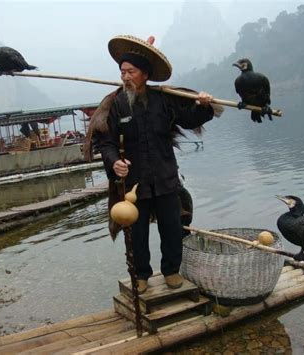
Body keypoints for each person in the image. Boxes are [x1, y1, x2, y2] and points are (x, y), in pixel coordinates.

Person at [92, 35, 220, 294]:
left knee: (172, 228)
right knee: (136, 232)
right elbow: (106, 143)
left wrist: (204, 106)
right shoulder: (117, 105)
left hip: (165, 178)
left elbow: (188, 119)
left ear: (145, 74)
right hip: (134, 184)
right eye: (122, 72)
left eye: (131, 71)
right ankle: (141, 274)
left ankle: (172, 271)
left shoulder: (164, 100)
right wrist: (115, 162)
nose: (125, 76)